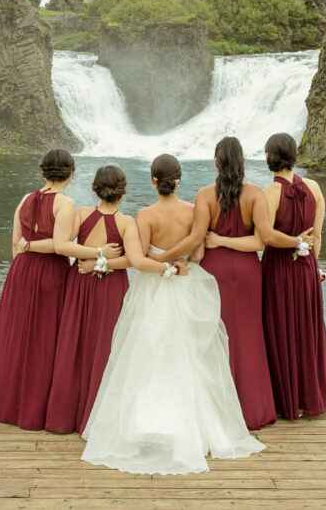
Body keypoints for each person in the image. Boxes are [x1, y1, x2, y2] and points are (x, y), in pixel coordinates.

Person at [80, 154, 265, 475]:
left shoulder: (144, 215)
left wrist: (160, 265)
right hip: (186, 283)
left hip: (152, 289)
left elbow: (137, 260)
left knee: (146, 353)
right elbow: (198, 251)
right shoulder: (193, 211)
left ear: (153, 181)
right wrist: (177, 263)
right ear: (179, 181)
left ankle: (142, 424)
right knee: (191, 354)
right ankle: (195, 427)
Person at [152, 137, 314, 430]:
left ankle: (214, 410)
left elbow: (196, 239)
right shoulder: (255, 195)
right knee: (250, 336)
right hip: (250, 271)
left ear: (215, 162)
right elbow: (262, 240)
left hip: (215, 271)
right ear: (242, 162)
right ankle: (254, 410)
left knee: (212, 336)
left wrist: (163, 258)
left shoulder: (204, 196)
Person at [0, 149, 123, 430]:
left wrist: (26, 250)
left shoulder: (24, 199)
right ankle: (34, 408)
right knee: (45, 340)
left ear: (43, 172)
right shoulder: (64, 204)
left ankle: (4, 401)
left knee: (16, 335)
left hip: (21, 270)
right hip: (49, 272)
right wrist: (99, 251)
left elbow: (16, 244)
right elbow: (60, 245)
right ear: (70, 173)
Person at [45, 165, 168, 434]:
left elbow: (63, 245)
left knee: (73, 346)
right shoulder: (127, 223)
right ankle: (97, 418)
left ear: (95, 188)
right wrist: (103, 261)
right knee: (106, 347)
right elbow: (134, 261)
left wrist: (93, 261)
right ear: (122, 193)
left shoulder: (81, 214)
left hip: (78, 282)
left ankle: (63, 417)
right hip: (109, 287)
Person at [260, 133, 326, 419]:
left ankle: (286, 400)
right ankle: (308, 397)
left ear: (270, 157)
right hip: (306, 267)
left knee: (279, 329)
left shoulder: (269, 194)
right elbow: (317, 236)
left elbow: (266, 236)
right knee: (307, 330)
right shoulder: (315, 188)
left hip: (279, 269)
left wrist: (293, 242)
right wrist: (312, 265)